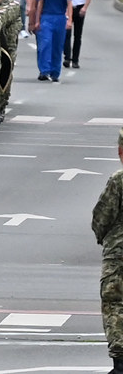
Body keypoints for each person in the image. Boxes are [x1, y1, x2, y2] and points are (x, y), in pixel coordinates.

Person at [92, 128, 123, 374]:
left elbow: (102, 217)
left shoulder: (119, 179)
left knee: (115, 304)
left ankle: (121, 362)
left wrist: (104, 238)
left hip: (119, 255)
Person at [31, 0, 72, 82]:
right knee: (46, 43)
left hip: (59, 17)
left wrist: (69, 20)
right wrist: (37, 20)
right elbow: (40, 4)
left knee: (57, 46)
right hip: (47, 17)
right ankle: (44, 70)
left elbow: (69, 4)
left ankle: (55, 72)